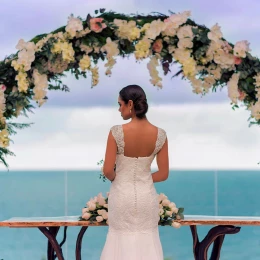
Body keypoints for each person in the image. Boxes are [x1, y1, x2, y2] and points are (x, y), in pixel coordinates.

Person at [100, 84, 169, 260]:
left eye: (120, 104)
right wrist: (143, 179)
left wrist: (120, 178)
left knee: (119, 239)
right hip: (146, 198)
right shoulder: (160, 134)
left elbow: (107, 170)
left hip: (122, 197)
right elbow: (163, 173)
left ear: (130, 104)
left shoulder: (116, 132)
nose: (118, 109)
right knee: (147, 239)